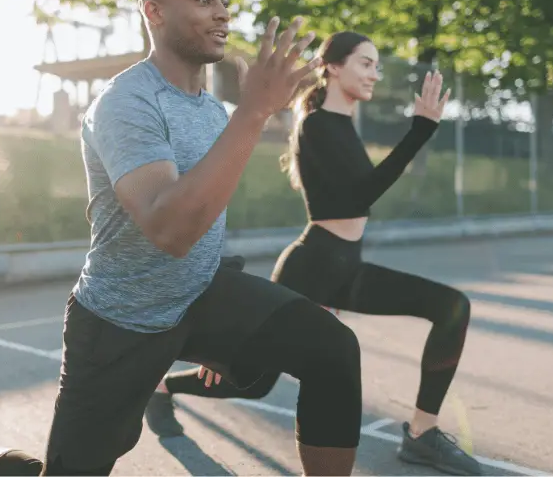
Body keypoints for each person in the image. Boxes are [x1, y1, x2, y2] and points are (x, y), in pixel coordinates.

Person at [0, 0, 380, 475]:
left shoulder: (212, 111)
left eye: (224, 3)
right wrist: (253, 110)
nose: (222, 14)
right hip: (122, 319)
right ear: (155, 12)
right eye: (203, 0)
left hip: (199, 297)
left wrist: (226, 328)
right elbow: (171, 228)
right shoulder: (125, 103)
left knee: (333, 349)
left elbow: (207, 216)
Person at [146, 31, 483, 477]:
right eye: (365, 63)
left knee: (451, 307)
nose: (374, 74)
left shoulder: (343, 126)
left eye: (377, 65)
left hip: (349, 267)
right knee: (254, 381)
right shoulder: (317, 125)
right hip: (312, 267)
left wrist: (419, 130)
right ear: (334, 66)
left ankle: (421, 434)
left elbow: (361, 195)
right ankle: (163, 389)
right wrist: (420, 130)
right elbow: (361, 195)